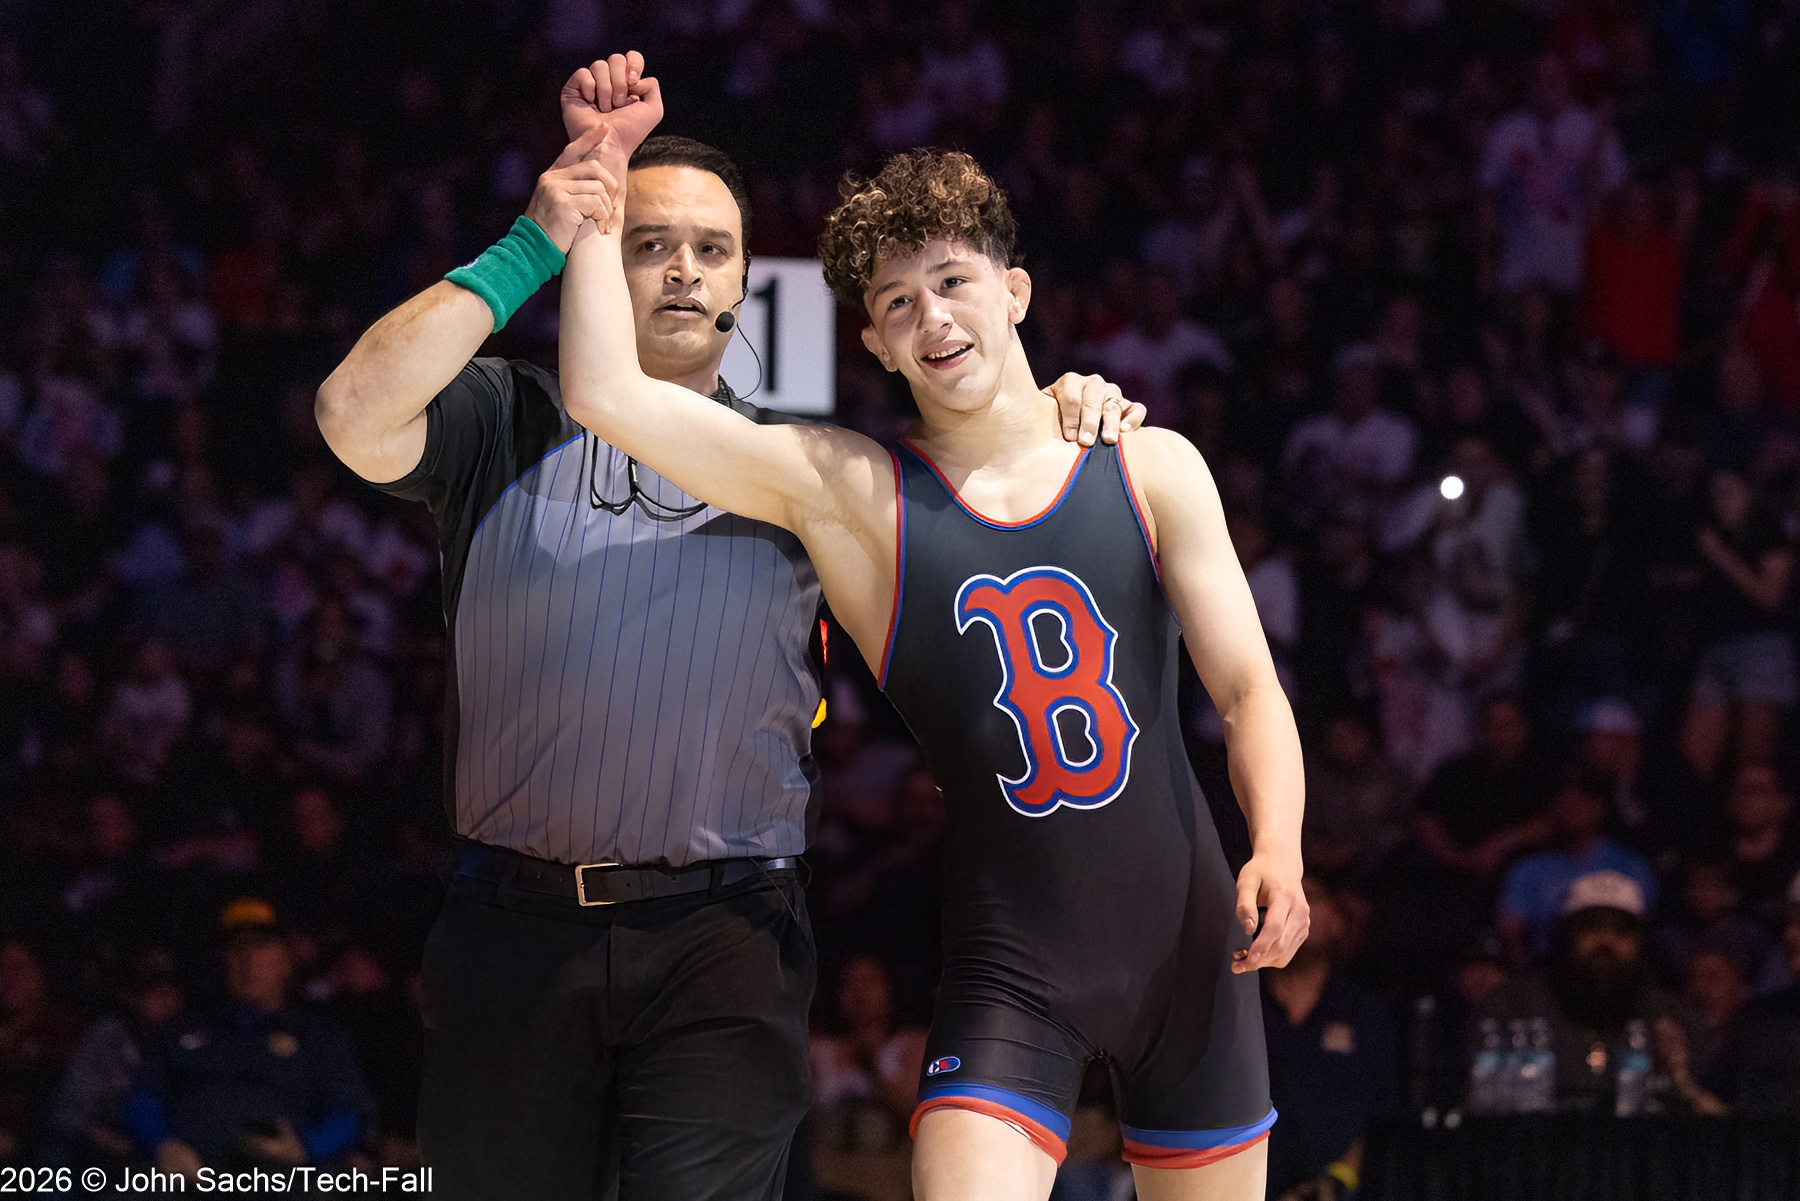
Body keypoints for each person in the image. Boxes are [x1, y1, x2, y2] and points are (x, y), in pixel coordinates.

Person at [311, 53, 1140, 1199]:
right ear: (600, 258)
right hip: (512, 931)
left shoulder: (801, 468)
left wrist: (1064, 405)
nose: (682, 270)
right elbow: (351, 412)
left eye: (711, 249)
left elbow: (992, 495)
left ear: (746, 279)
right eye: (648, 243)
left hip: (727, 938)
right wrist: (535, 237)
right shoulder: (502, 418)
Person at [558, 60, 1307, 1201]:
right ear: (876, 344)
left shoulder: (1148, 462)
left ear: (1015, 292)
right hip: (1014, 975)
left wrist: (1281, 846)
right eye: (898, 303)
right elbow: (604, 395)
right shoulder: (856, 494)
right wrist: (596, 181)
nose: (933, 318)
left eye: (953, 281)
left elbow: (1249, 690)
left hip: (1195, 962)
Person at [123, 900, 369, 1179]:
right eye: (237, 948)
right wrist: (160, 1144)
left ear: (285, 962)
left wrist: (306, 1149)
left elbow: (347, 1112)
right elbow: (143, 1099)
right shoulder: (183, 1027)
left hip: (279, 1175)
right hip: (186, 1176)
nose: (249, 960)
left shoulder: (319, 1035)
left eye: (261, 946)